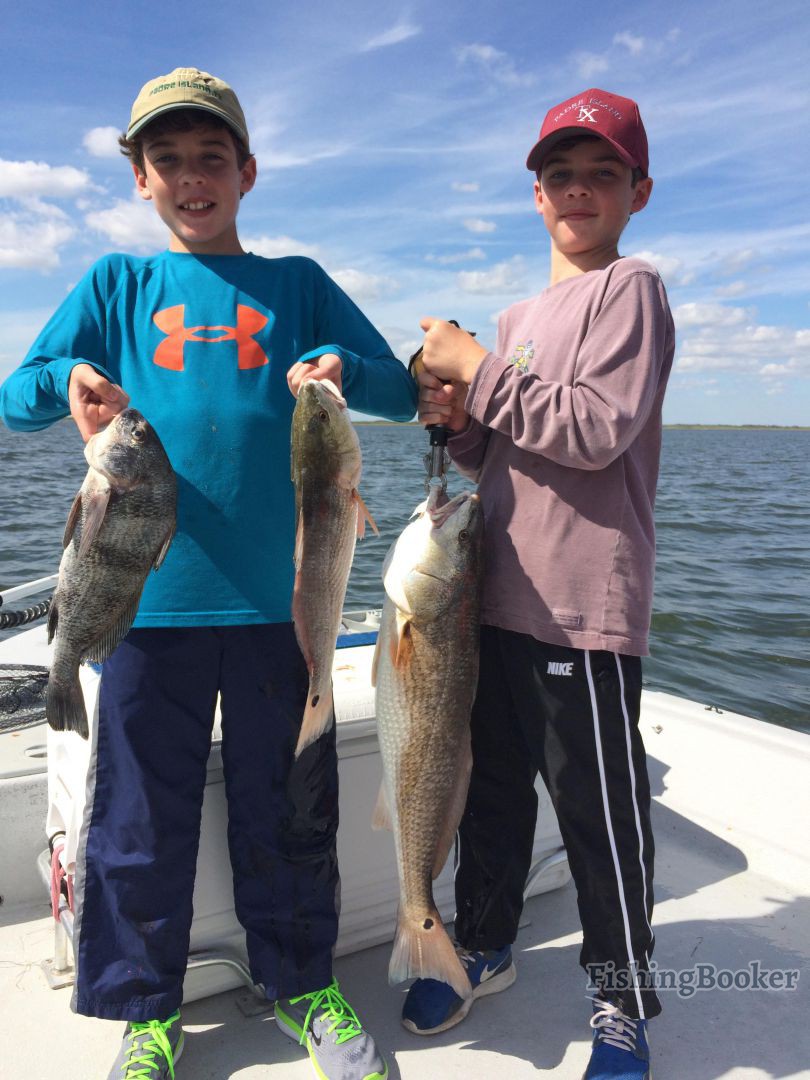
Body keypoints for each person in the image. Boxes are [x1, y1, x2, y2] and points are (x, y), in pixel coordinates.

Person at [0, 67, 416, 1080]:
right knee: (139, 819)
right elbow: (17, 397)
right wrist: (71, 377)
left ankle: (302, 984)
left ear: (248, 173)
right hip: (145, 606)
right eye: (169, 160)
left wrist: (341, 368)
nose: (192, 178)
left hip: (285, 606)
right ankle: (146, 1010)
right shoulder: (115, 285)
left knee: (291, 807)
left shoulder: (299, 283)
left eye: (211, 159)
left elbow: (399, 392)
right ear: (141, 178)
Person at [406, 88, 675, 1080]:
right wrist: (456, 419)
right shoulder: (518, 319)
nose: (578, 190)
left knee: (599, 816)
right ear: (535, 194)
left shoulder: (631, 290)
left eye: (603, 173)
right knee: (491, 795)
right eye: (560, 175)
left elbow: (595, 431)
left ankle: (622, 1000)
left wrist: (477, 369)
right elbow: (505, 450)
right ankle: (483, 942)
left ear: (639, 192)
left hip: (583, 611)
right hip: (495, 601)